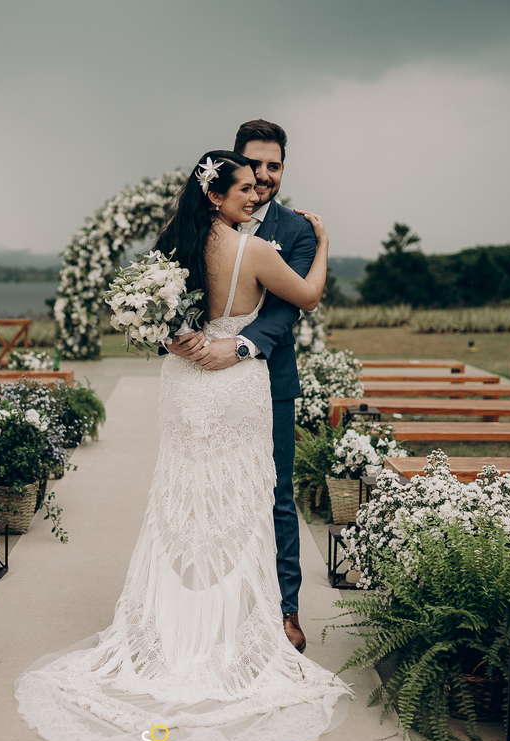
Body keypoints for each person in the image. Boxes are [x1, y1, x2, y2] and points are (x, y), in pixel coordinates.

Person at [14, 151, 351, 741]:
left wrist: (174, 335)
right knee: (238, 504)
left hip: (185, 380)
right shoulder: (256, 253)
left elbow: (141, 309)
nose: (254, 197)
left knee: (181, 502)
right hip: (234, 384)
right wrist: (324, 240)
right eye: (245, 189)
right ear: (218, 195)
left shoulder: (176, 248)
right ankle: (226, 635)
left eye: (257, 187)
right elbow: (308, 295)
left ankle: (174, 630)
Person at [168, 120, 314, 653]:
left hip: (266, 381)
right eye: (255, 167)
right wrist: (173, 338)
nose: (265, 178)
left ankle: (284, 612)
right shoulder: (197, 223)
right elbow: (168, 293)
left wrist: (243, 344)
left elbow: (285, 309)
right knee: (205, 493)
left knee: (274, 495)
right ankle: (206, 603)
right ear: (236, 164)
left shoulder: (293, 230)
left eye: (274, 167)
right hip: (201, 380)